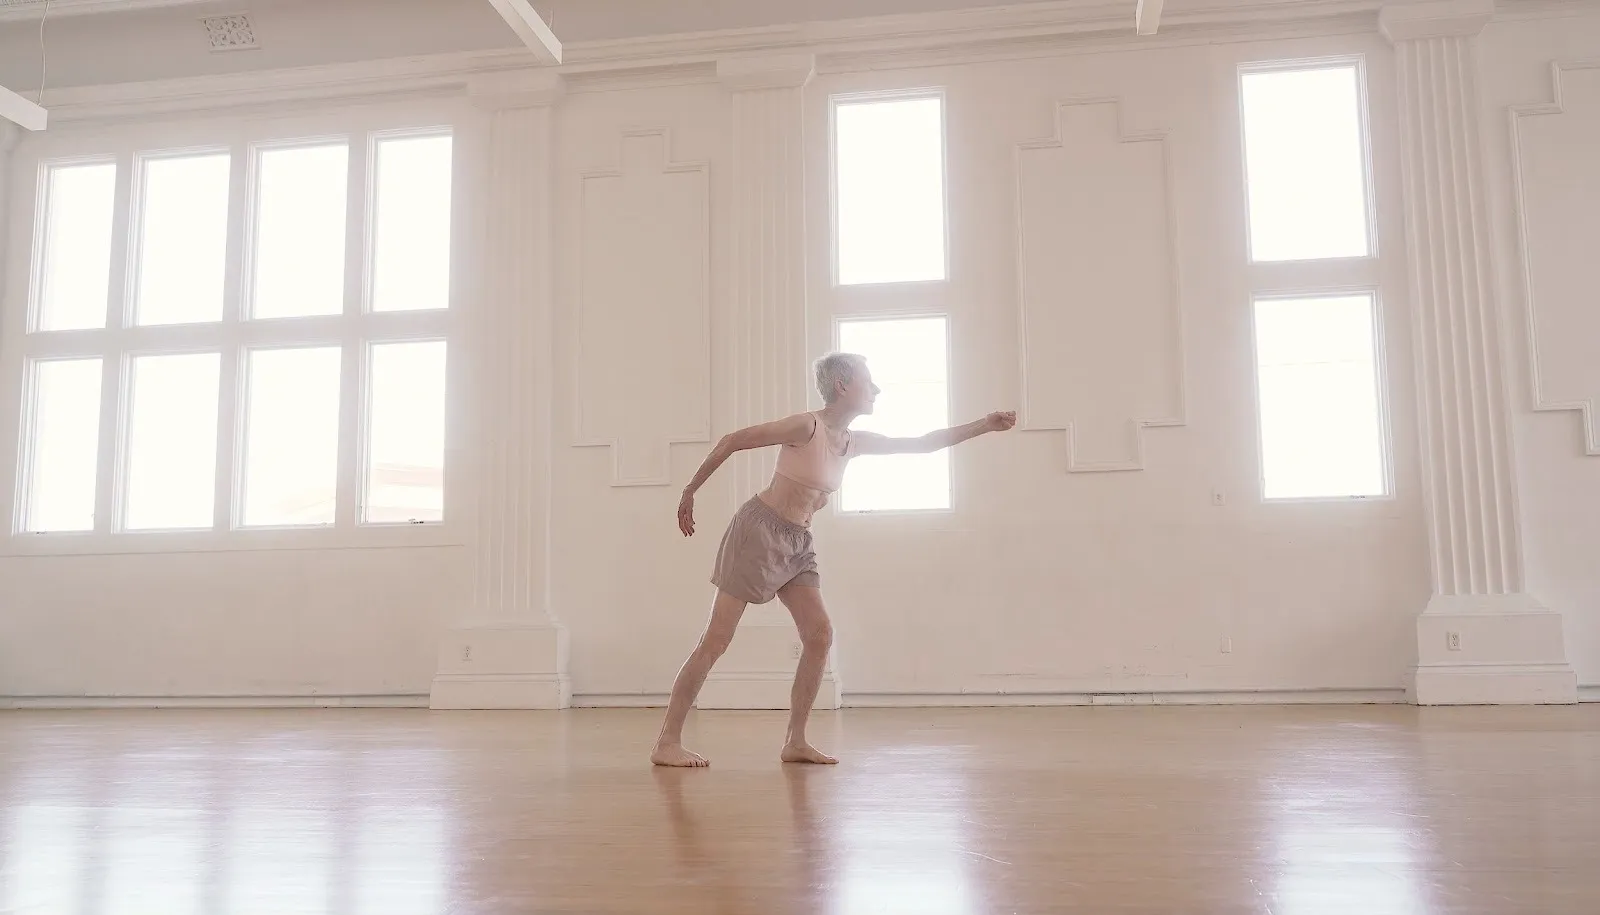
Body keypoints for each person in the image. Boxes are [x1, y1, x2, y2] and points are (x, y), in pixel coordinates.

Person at [651, 352, 1016, 766]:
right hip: (758, 532)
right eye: (868, 380)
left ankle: (795, 741)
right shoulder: (806, 426)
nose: (876, 389)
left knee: (819, 635)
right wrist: (689, 491)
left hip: (798, 541)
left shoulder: (851, 442)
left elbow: (922, 444)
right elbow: (732, 440)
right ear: (842, 386)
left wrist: (984, 425)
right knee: (716, 640)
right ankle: (667, 742)